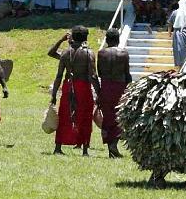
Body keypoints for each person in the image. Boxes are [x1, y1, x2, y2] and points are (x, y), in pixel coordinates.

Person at [50, 26, 100, 156]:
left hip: (68, 86)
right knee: (85, 116)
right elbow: (93, 76)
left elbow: (59, 75)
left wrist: (54, 94)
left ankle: (58, 147)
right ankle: (84, 149)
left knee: (65, 115)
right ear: (85, 38)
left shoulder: (66, 53)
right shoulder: (89, 53)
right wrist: (99, 93)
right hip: (83, 87)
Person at [97, 28, 132, 158]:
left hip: (106, 86)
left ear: (106, 39)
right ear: (118, 39)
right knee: (119, 116)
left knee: (108, 116)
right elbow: (127, 74)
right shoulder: (124, 53)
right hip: (120, 87)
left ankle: (110, 146)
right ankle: (114, 145)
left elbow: (100, 72)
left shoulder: (101, 53)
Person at [168, 0, 186, 66]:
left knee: (178, 50)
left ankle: (180, 66)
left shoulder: (175, 12)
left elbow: (170, 23)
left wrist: (169, 33)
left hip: (178, 33)